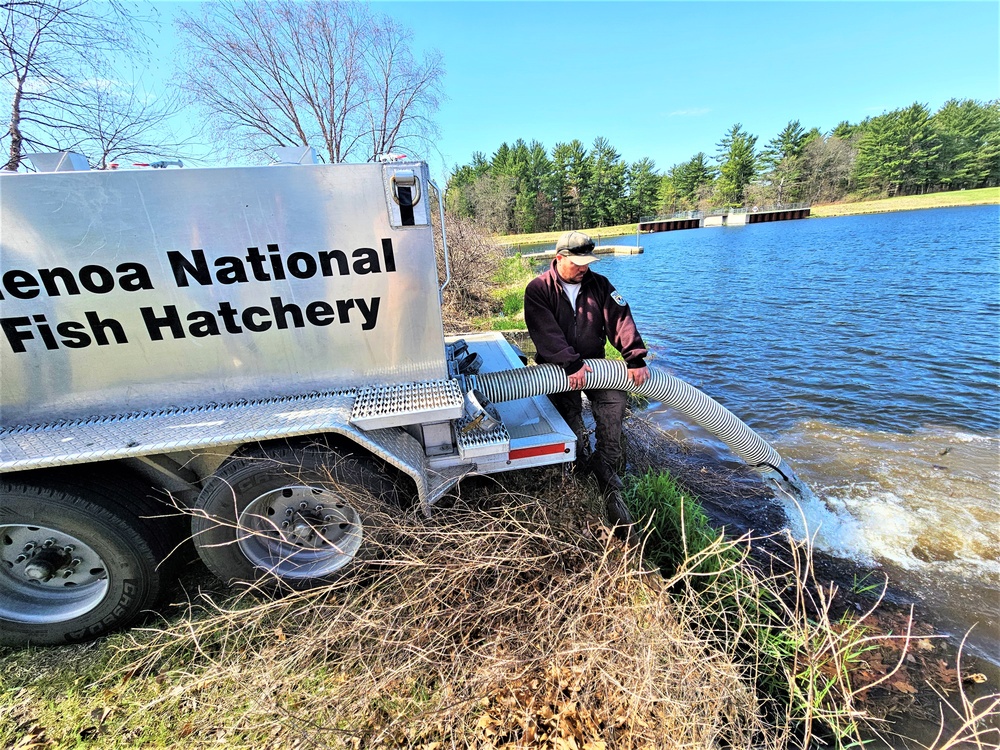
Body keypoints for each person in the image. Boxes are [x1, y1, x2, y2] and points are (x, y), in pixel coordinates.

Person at [523, 230, 650, 536]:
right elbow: (545, 331)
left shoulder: (600, 284)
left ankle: (605, 462)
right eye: (577, 263)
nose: (584, 268)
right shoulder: (538, 289)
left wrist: (634, 357)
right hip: (557, 369)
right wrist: (569, 362)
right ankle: (578, 462)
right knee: (568, 417)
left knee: (614, 403)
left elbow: (620, 318)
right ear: (559, 259)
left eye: (587, 262)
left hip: (595, 365)